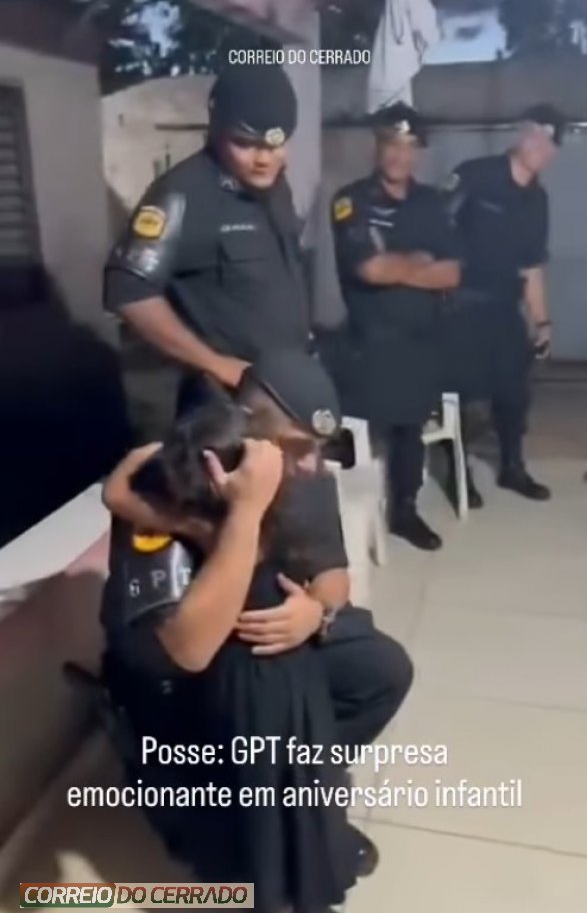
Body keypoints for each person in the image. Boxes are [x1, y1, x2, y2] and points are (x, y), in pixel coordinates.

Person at [101, 350, 414, 909]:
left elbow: (333, 577)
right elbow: (186, 651)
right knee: (258, 690)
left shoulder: (304, 472)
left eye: (318, 448)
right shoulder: (175, 478)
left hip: (261, 640)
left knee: (380, 670)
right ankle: (236, 820)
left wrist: (314, 613)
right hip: (181, 675)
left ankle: (299, 802)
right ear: (244, 436)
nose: (312, 465)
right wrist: (236, 516)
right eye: (296, 448)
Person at [103, 64, 314, 417]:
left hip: (287, 394)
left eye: (274, 145)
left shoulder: (276, 188)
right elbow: (127, 292)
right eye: (244, 144)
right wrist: (217, 365)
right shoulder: (182, 194)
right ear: (216, 129)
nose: (263, 159)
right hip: (226, 405)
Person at [328, 102, 461, 551]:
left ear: (418, 152)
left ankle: (405, 510)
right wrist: (420, 260)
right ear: (377, 146)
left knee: (409, 433)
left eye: (408, 146)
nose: (399, 155)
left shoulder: (432, 203)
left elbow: (452, 273)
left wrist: (397, 265)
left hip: (421, 343)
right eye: (391, 144)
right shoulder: (351, 200)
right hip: (370, 343)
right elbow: (368, 269)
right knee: (357, 438)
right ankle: (345, 520)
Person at [442, 104, 564, 505]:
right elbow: (435, 230)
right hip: (460, 307)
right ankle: (459, 472)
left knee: (514, 394)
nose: (541, 147)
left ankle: (513, 467)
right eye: (536, 135)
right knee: (464, 398)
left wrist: (542, 322)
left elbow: (532, 266)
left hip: (503, 310)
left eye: (550, 143)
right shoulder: (475, 175)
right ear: (521, 132)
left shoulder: (538, 200)